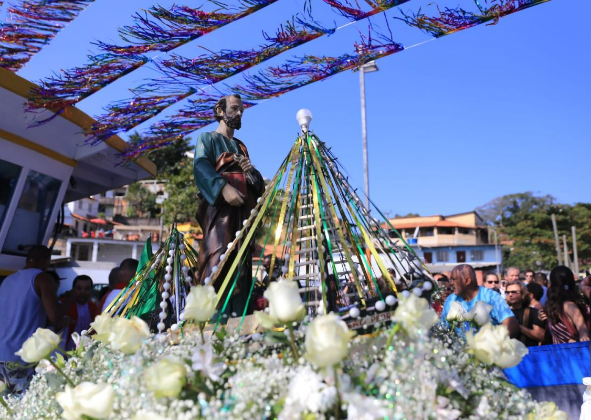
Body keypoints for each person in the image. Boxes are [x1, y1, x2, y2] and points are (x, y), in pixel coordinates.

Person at [193, 94, 265, 316]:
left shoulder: (240, 146)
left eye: (241, 110)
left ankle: (238, 315)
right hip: (220, 211)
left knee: (240, 261)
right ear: (220, 111)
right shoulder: (208, 139)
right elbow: (201, 166)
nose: (239, 113)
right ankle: (208, 314)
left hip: (242, 212)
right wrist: (222, 188)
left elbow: (256, 183)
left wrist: (250, 172)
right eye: (234, 109)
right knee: (217, 256)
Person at [0, 246, 73, 393]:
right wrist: (70, 298)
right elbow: (55, 316)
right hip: (20, 356)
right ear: (47, 261)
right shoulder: (43, 279)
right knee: (19, 408)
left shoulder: (8, 280)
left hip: (1, 352)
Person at [440, 264, 519, 338]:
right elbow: (443, 329)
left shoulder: (491, 297)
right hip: (460, 352)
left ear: (467, 281)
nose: (451, 283)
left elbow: (511, 325)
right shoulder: (451, 300)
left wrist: (496, 345)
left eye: (454, 279)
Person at [544, 266, 590, 344]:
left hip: (571, 352)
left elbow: (582, 327)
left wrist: (584, 337)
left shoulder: (568, 305)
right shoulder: (554, 305)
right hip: (563, 353)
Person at [61, 275, 100, 350]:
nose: (83, 292)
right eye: (79, 288)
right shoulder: (63, 305)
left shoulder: (94, 308)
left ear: (91, 290)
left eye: (87, 289)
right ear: (73, 289)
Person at [505, 281, 545, 346]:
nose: (510, 295)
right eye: (507, 292)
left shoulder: (532, 312)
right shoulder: (503, 313)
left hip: (528, 352)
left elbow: (541, 336)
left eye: (514, 292)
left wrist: (518, 326)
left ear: (523, 295)